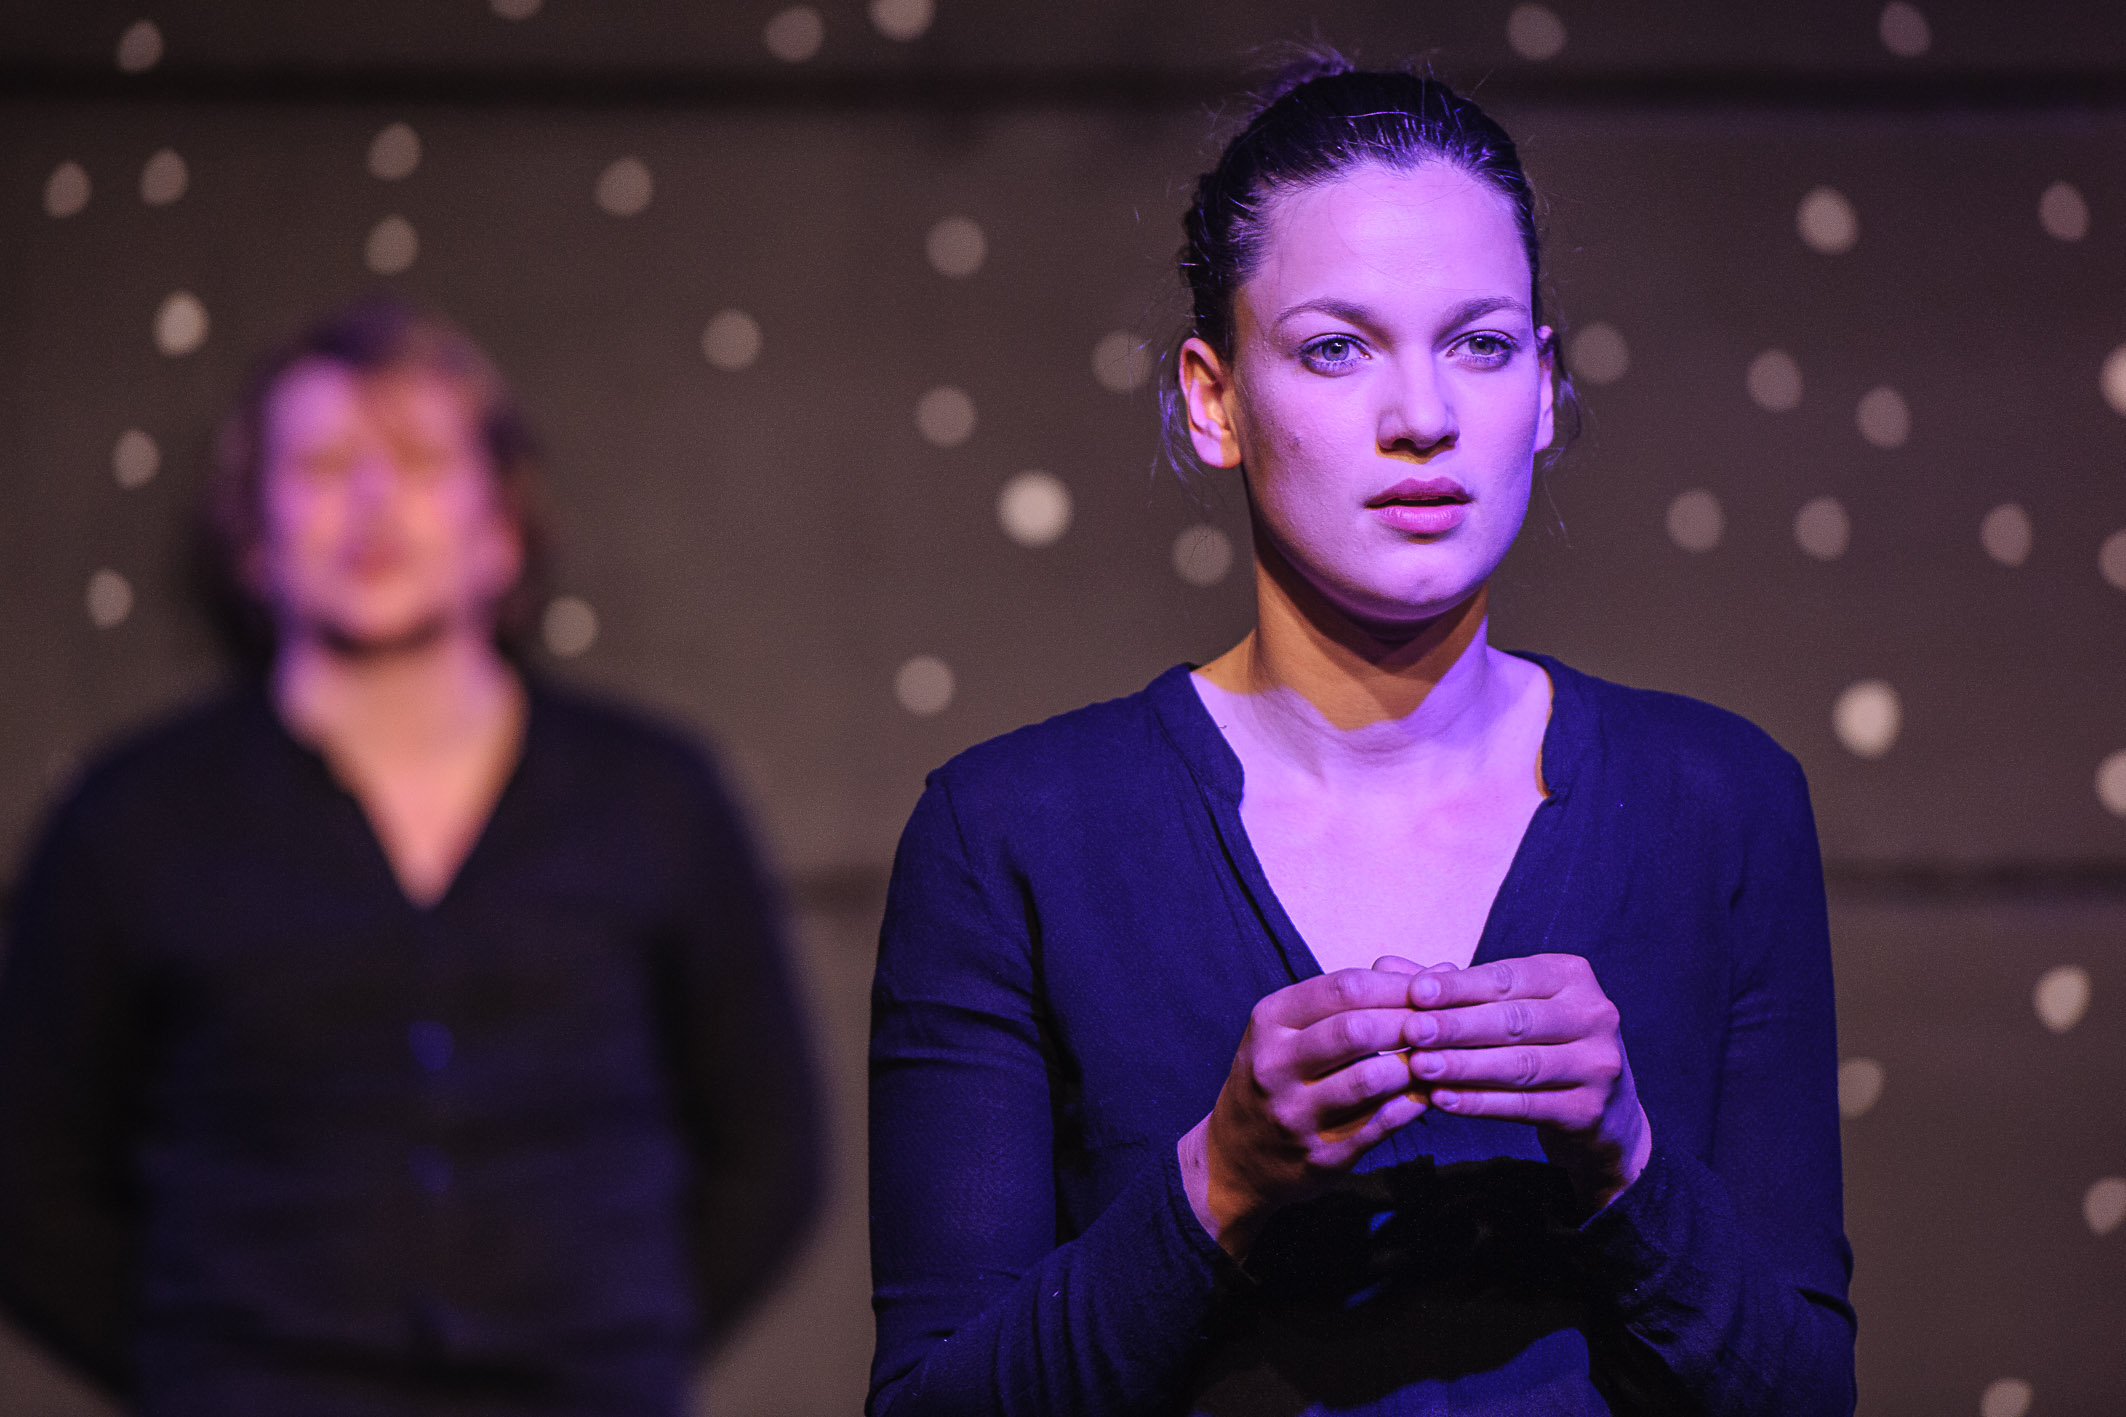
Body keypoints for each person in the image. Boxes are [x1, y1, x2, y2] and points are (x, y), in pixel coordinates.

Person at [867, 59, 1854, 1416]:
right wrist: (1218, 1182)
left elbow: (1806, 1392)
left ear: (1544, 389)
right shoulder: (1013, 834)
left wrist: (1626, 1162)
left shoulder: (1717, 804)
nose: (1422, 419)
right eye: (1336, 347)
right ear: (1212, 397)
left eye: (1480, 344)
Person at [0, 298, 823, 1416]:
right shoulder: (133, 815)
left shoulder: (657, 795)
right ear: (251, 534)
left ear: (503, 525)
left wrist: (616, 1330)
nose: (372, 503)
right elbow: (27, 1179)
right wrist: (205, 1359)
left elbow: (769, 1154)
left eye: (422, 461)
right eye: (323, 465)